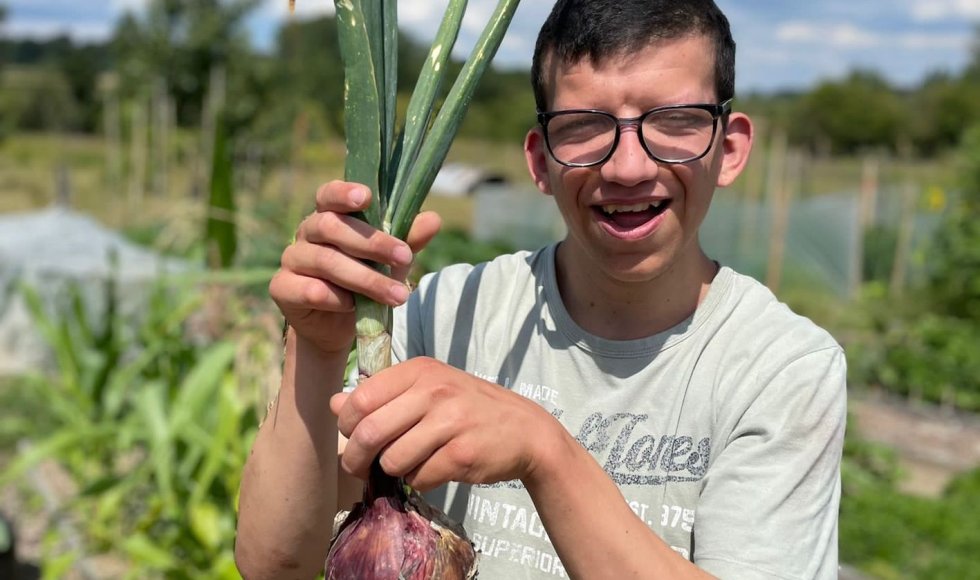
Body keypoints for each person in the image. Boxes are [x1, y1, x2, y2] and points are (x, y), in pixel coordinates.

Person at [235, 0, 847, 578]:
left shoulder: (781, 368)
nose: (628, 167)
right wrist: (314, 349)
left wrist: (546, 455)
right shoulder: (446, 315)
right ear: (539, 161)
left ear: (729, 147)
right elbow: (273, 564)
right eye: (583, 126)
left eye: (673, 121)